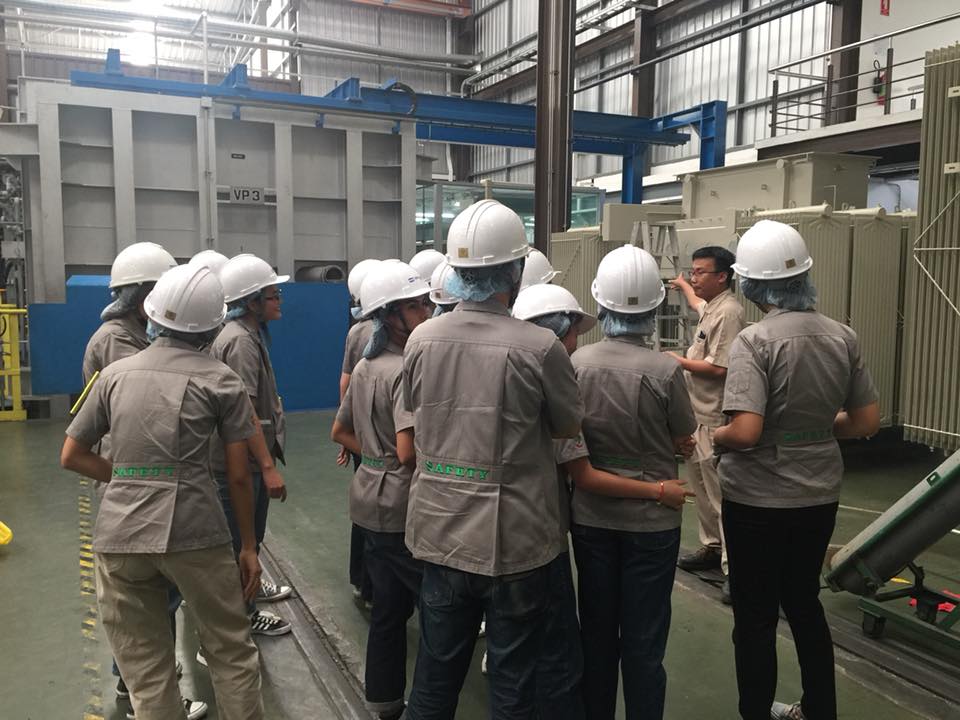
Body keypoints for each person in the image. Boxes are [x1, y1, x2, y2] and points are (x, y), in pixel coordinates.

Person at [402, 199, 584, 720]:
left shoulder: (421, 339)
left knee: (434, 677)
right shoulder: (540, 347)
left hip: (440, 534)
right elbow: (567, 426)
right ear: (516, 270)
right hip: (516, 543)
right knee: (512, 680)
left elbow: (415, 409)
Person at [61, 263, 265, 720]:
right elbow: (237, 475)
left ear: (151, 315)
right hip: (196, 531)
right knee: (230, 651)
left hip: (119, 535)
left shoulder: (114, 375)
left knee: (147, 670)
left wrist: (126, 478)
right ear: (213, 326)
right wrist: (248, 547)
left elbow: (72, 454)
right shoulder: (222, 380)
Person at [713, 220, 880, 720]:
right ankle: (819, 710)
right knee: (805, 604)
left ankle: (755, 711)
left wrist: (714, 436)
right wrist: (813, 427)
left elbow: (745, 431)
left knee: (756, 615)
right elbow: (866, 421)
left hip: (757, 500)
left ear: (751, 283)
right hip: (818, 494)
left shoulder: (754, 341)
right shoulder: (842, 336)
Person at [570, 245, 697, 720]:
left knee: (597, 633)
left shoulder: (577, 363)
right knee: (644, 642)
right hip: (653, 521)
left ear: (600, 303)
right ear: (653, 308)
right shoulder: (666, 369)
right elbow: (683, 436)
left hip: (592, 517)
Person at [80, 242, 199, 714]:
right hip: (130, 477)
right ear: (142, 293)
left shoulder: (133, 333)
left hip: (139, 476)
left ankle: (148, 685)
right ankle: (136, 691)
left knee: (153, 593)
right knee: (144, 600)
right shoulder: (118, 340)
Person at [330, 261, 433, 720]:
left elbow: (339, 431)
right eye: (416, 306)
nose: (426, 312)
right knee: (437, 613)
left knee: (388, 611)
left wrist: (374, 455)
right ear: (391, 316)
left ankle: (384, 700)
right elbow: (408, 452)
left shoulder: (366, 366)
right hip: (401, 505)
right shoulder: (402, 370)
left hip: (367, 499)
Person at [210, 254, 292, 638]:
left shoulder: (245, 334)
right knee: (242, 543)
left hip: (246, 460)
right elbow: (244, 413)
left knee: (246, 541)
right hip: (241, 463)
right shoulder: (240, 341)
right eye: (273, 296)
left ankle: (247, 599)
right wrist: (267, 466)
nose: (279, 301)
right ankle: (241, 618)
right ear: (252, 302)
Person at [668, 246, 745, 604]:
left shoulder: (729, 312)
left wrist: (678, 361)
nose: (695, 277)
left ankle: (734, 569)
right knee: (700, 488)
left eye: (700, 272)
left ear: (722, 276)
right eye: (693, 271)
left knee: (718, 495)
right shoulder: (712, 307)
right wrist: (683, 285)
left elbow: (719, 367)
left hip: (714, 417)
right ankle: (712, 547)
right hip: (697, 415)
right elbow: (698, 306)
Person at [339, 258, 383, 607]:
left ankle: (361, 581)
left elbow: (346, 383)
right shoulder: (403, 332)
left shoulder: (356, 332)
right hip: (388, 440)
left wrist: (349, 431)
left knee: (365, 507)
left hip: (361, 434)